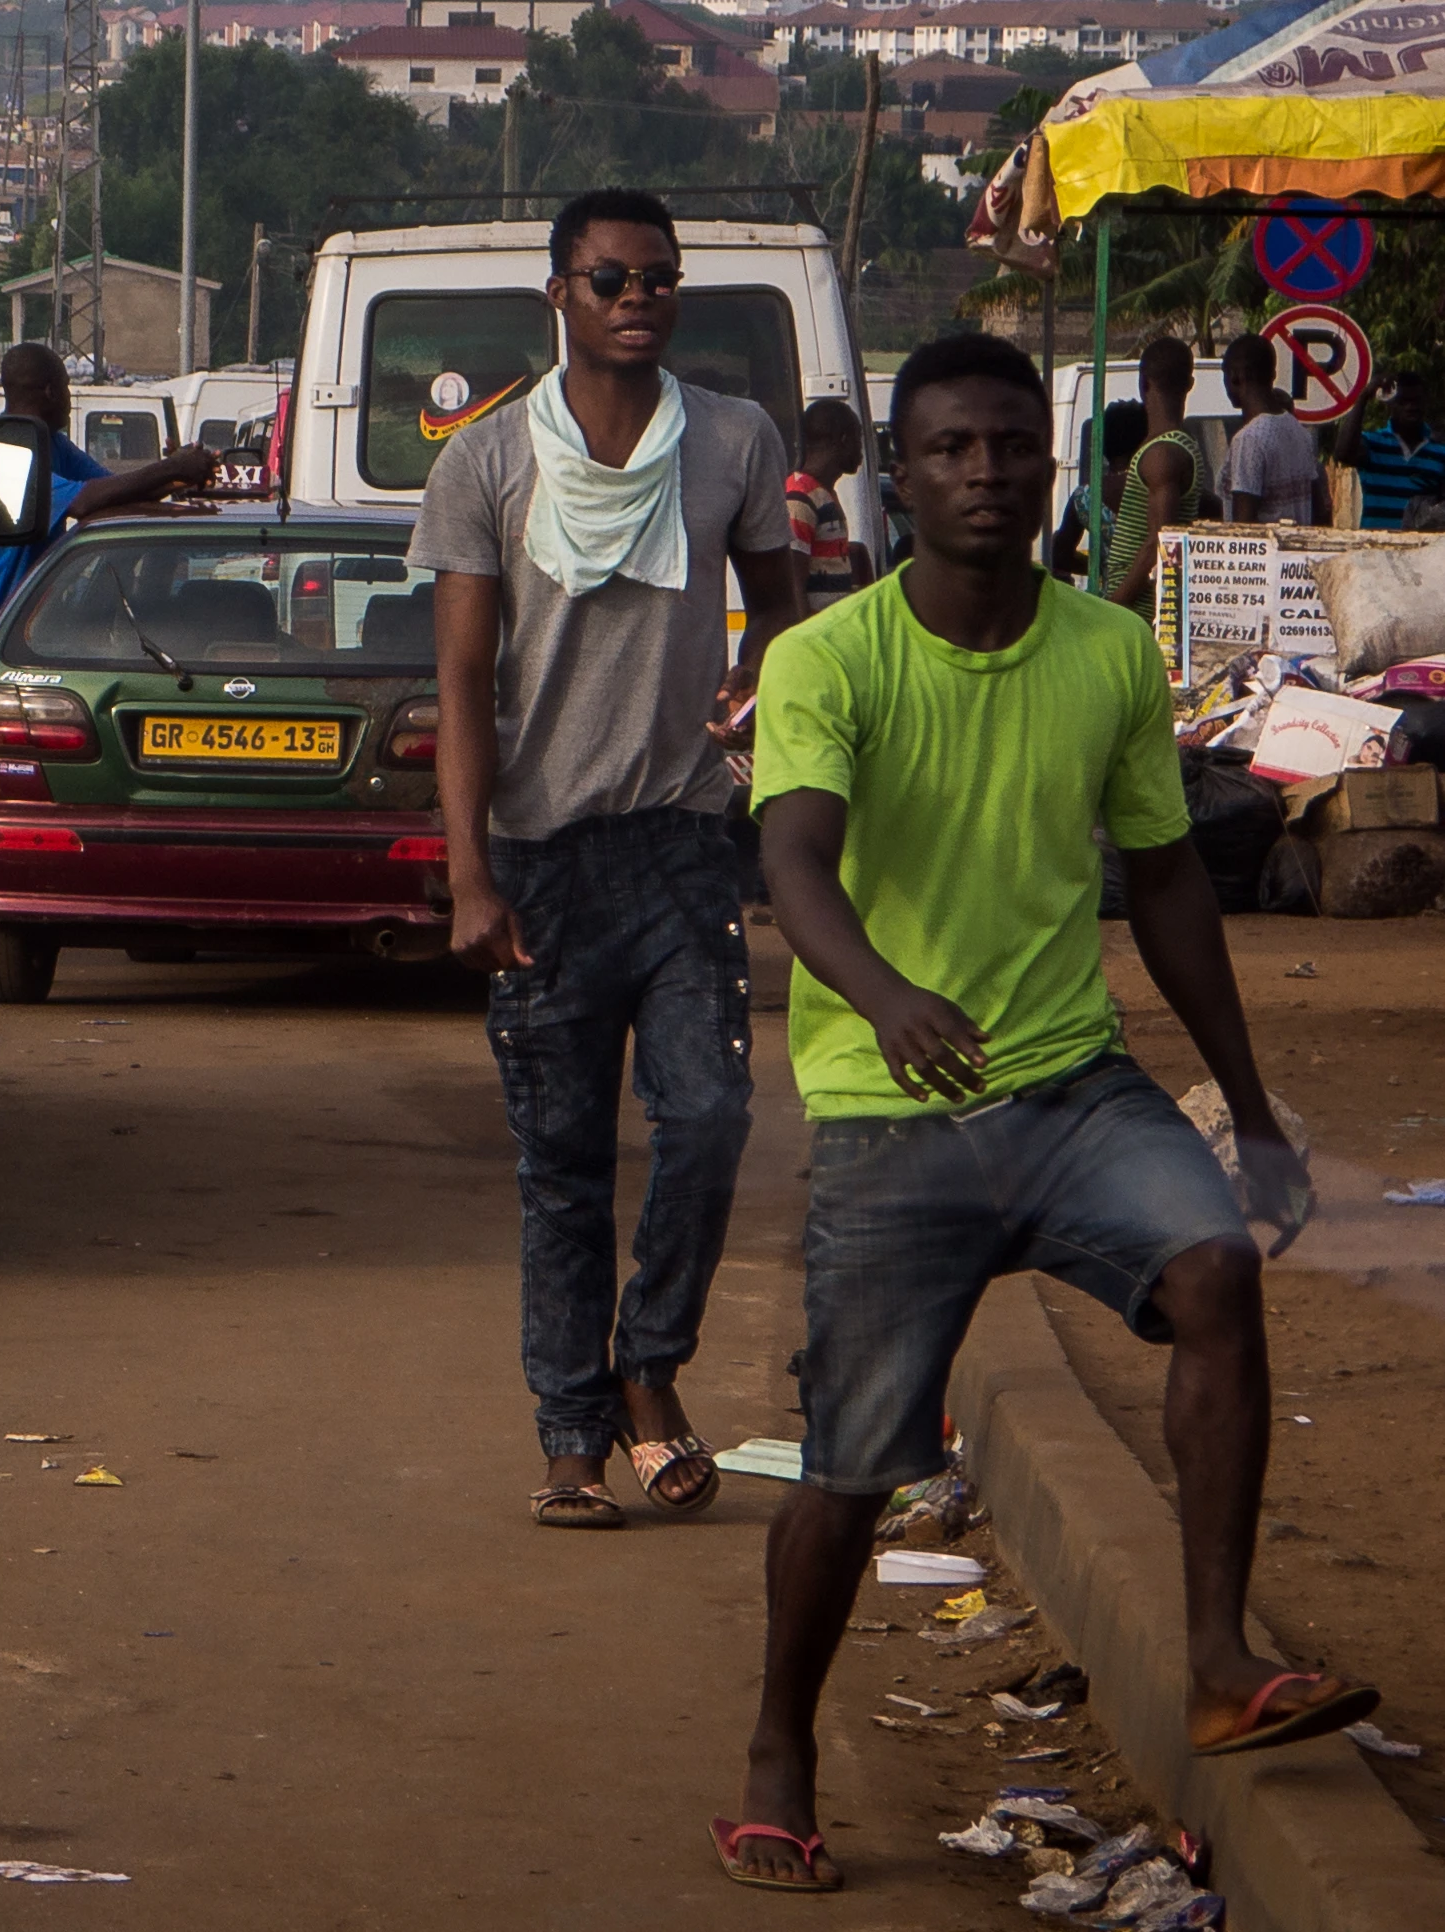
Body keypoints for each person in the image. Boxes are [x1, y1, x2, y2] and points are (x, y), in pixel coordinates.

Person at [718, 331, 1357, 1894]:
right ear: (898, 474)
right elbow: (792, 858)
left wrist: (1249, 1108)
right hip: (889, 1108)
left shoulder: (1105, 653)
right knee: (849, 1470)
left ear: (1046, 464)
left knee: (1214, 1272)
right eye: (949, 448)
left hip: (1070, 1081)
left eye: (1010, 445)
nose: (984, 474)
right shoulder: (825, 658)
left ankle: (1217, 1662)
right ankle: (778, 1753)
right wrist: (883, 997)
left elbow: (1164, 882)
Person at [417, 187, 807, 1531]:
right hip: (540, 860)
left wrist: (756, 674)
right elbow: (462, 685)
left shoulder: (735, 440)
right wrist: (470, 875)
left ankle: (650, 1367)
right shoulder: (484, 463)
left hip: (682, 842)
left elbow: (783, 605)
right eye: (610, 280)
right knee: (563, 1166)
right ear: (559, 296)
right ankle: (571, 1440)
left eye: (659, 280)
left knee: (706, 1119)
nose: (638, 299)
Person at [0, 341, 217, 625]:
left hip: (31, 622)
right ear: (51, 392)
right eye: (66, 386)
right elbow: (84, 502)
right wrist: (171, 468)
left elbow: (114, 491)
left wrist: (177, 476)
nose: (69, 397)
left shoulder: (50, 442)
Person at [1103, 337, 1202, 616]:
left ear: (1143, 383)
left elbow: (1159, 543)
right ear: (1190, 384)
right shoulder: (1179, 447)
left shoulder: (1162, 454)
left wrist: (1113, 606)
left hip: (1139, 613)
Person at [1221, 335, 1323, 525]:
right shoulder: (1299, 431)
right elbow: (1319, 508)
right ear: (1273, 374)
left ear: (1236, 376)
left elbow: (1243, 528)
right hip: (1298, 544)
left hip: (1266, 545)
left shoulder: (1249, 439)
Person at [784, 398, 870, 608]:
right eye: (858, 438)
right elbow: (794, 586)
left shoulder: (822, 494)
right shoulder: (800, 497)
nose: (861, 450)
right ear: (843, 440)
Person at [1350, 371, 1444, 529]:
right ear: (1391, 404)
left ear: (1425, 403)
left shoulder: (1440, 450)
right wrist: (1363, 397)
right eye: (1403, 401)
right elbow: (1343, 454)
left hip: (1422, 543)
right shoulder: (1373, 443)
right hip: (1374, 542)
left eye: (1416, 401)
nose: (1411, 407)